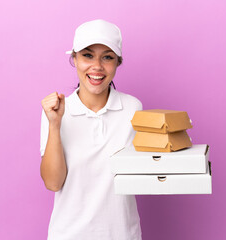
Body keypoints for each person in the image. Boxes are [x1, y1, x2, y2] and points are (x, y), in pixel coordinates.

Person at [40, 19, 143, 240]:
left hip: (122, 234)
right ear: (74, 59)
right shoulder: (55, 111)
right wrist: (55, 124)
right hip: (68, 234)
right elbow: (53, 182)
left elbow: (142, 172)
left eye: (107, 57)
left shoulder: (133, 109)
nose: (97, 66)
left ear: (117, 62)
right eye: (87, 55)